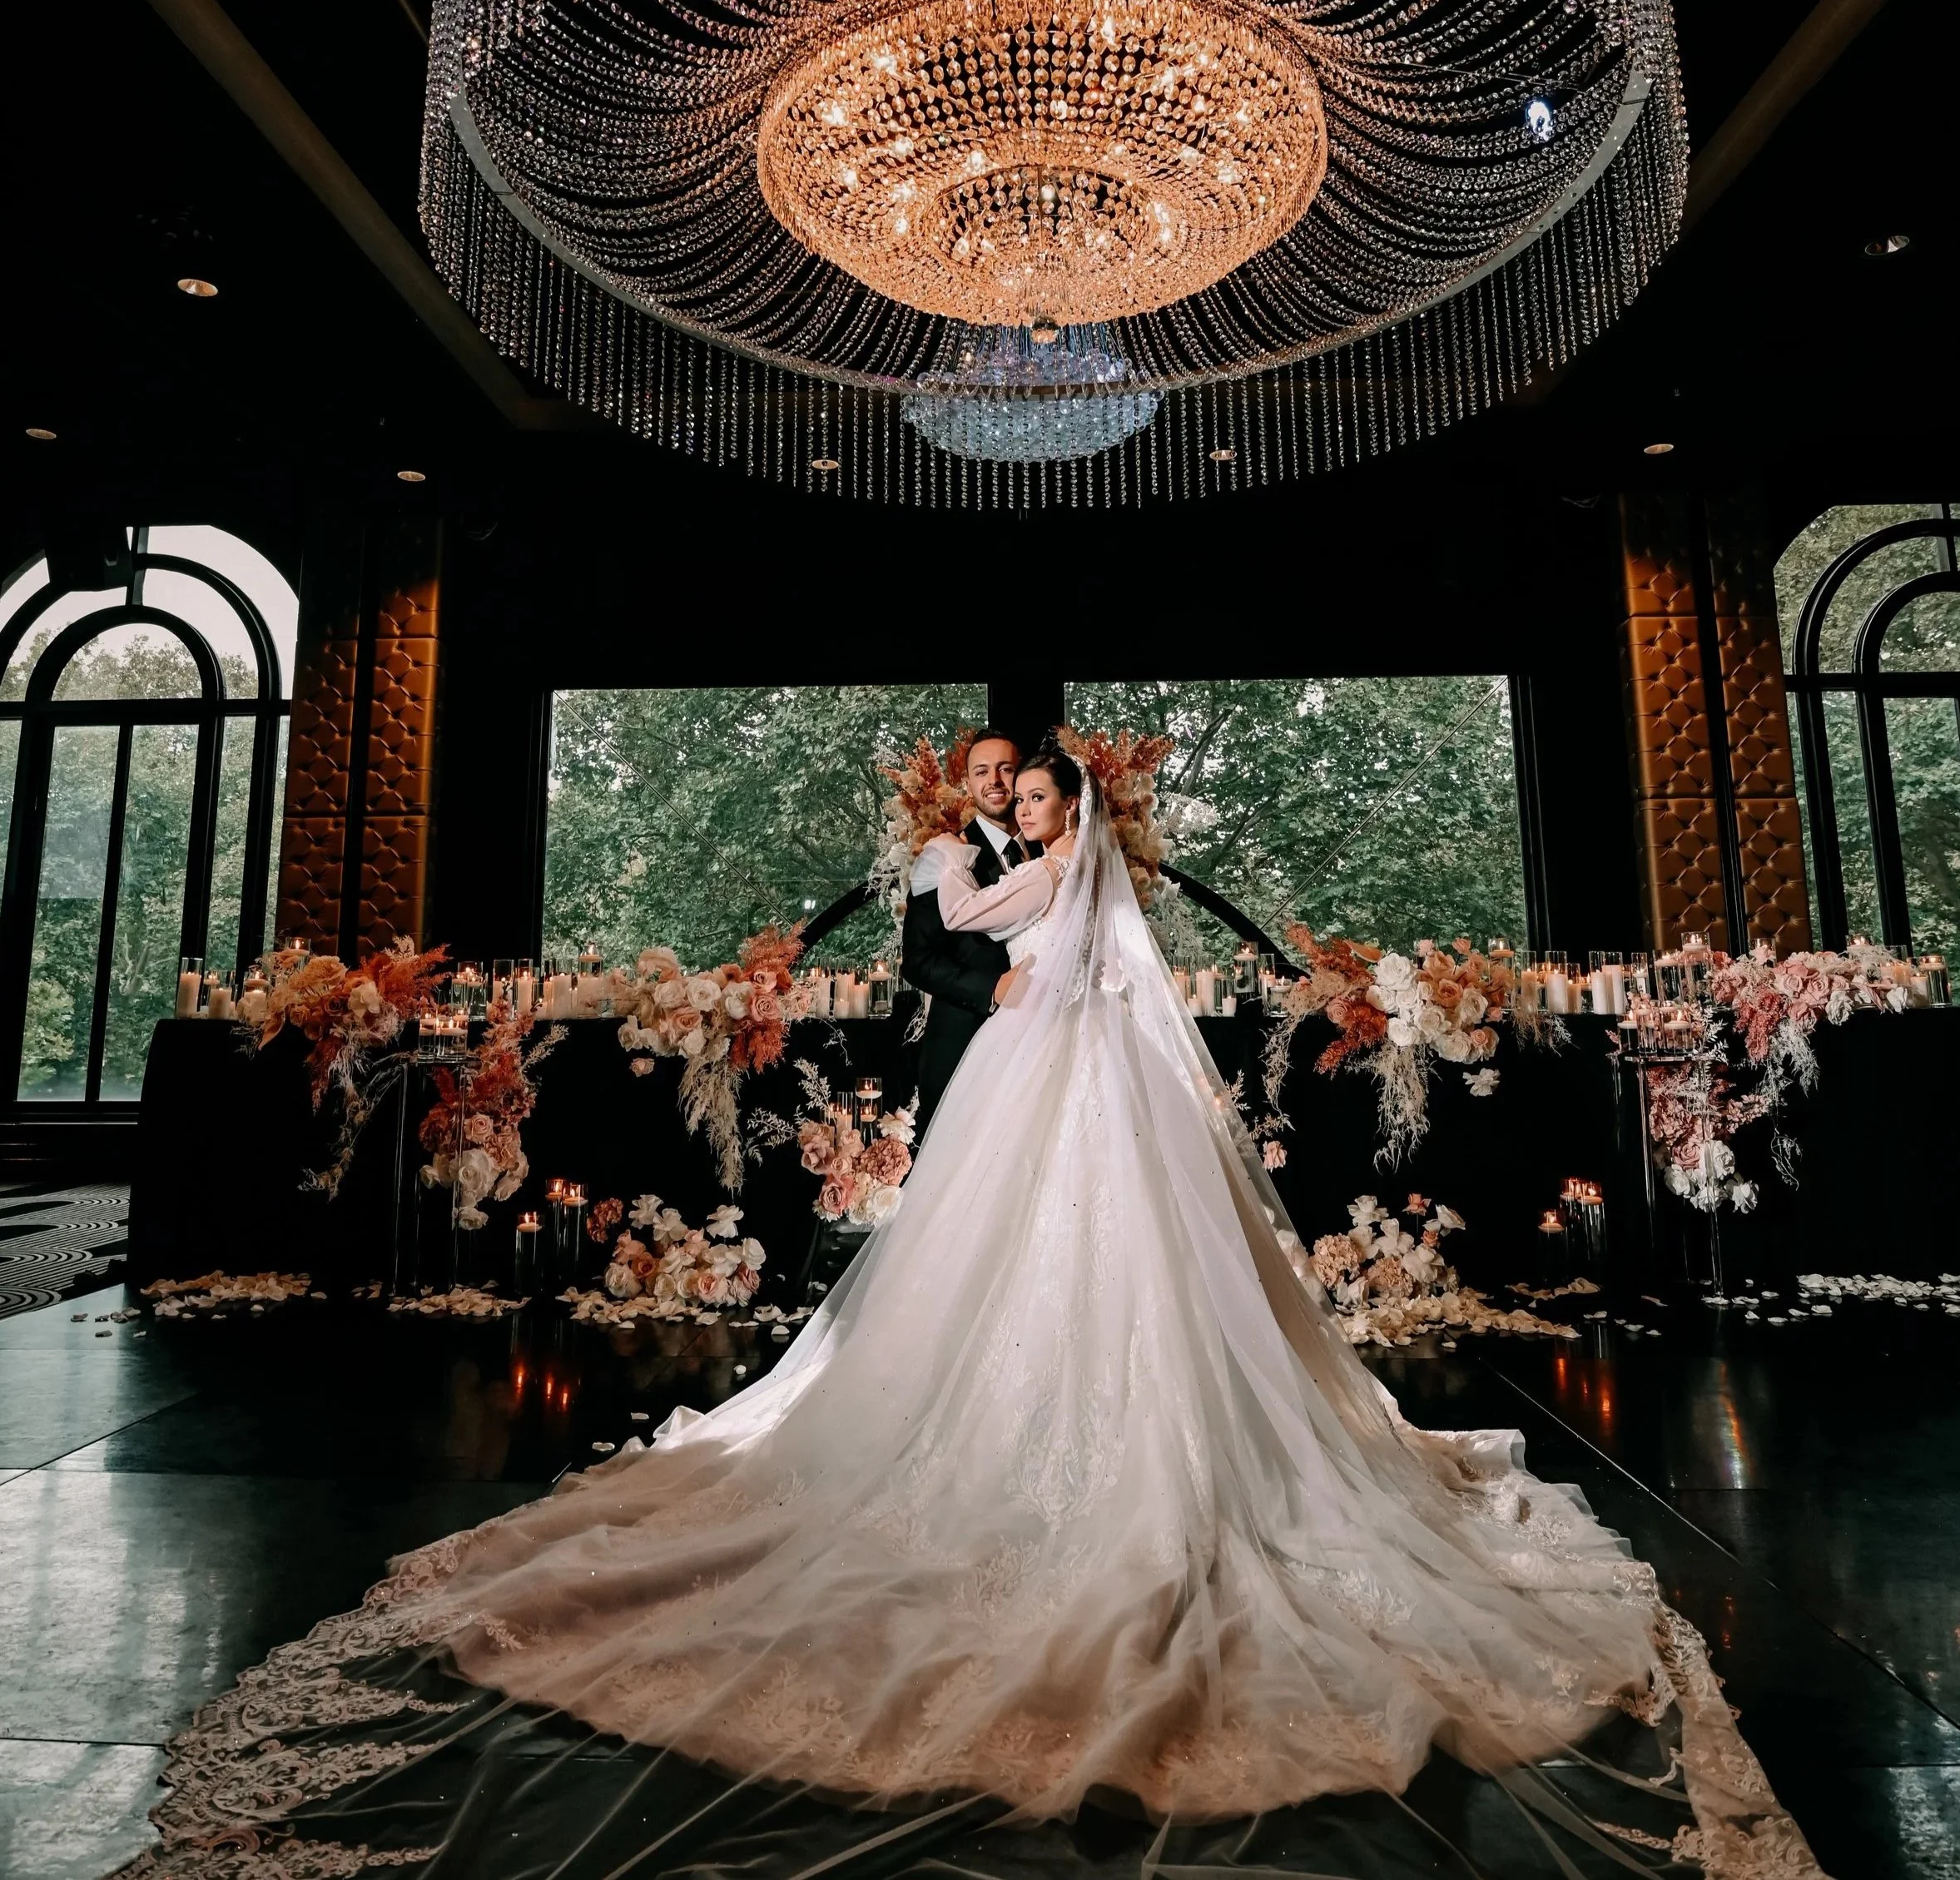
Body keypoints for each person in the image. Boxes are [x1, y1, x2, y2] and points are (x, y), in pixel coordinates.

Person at [122, 742, 1824, 1880]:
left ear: (1055, 782)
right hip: (1012, 1054)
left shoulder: (1084, 854)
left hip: (1096, 1069)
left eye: (1029, 776)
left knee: (1131, 1260)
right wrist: (993, 881)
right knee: (974, 1266)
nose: (1009, 789)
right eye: (998, 775)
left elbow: (1084, 927)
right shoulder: (963, 846)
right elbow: (956, 928)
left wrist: (1062, 874)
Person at [899, 726, 1038, 1115]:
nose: (994, 781)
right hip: (963, 1051)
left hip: (1041, 1054)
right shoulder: (944, 855)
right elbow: (918, 960)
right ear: (968, 783)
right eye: (981, 772)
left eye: (1005, 769)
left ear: (1022, 775)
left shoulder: (1051, 851)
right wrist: (992, 988)